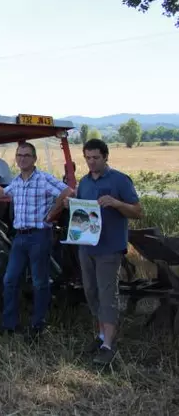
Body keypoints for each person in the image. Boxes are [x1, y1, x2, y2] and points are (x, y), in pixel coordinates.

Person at [0, 141, 74, 337]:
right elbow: (2, 192)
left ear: (34, 159)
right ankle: (10, 324)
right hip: (20, 238)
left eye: (26, 155)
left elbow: (67, 191)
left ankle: (38, 326)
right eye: (19, 155)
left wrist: (53, 213)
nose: (22, 158)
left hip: (39, 237)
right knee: (10, 280)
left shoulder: (43, 179)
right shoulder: (17, 181)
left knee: (40, 282)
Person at [74, 138, 142, 365]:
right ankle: (101, 334)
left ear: (105, 157)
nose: (91, 162)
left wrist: (116, 203)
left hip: (109, 248)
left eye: (96, 158)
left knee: (107, 295)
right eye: (88, 158)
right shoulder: (83, 183)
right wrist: (71, 208)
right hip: (86, 246)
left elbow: (138, 212)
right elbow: (82, 214)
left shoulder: (120, 181)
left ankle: (108, 345)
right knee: (91, 293)